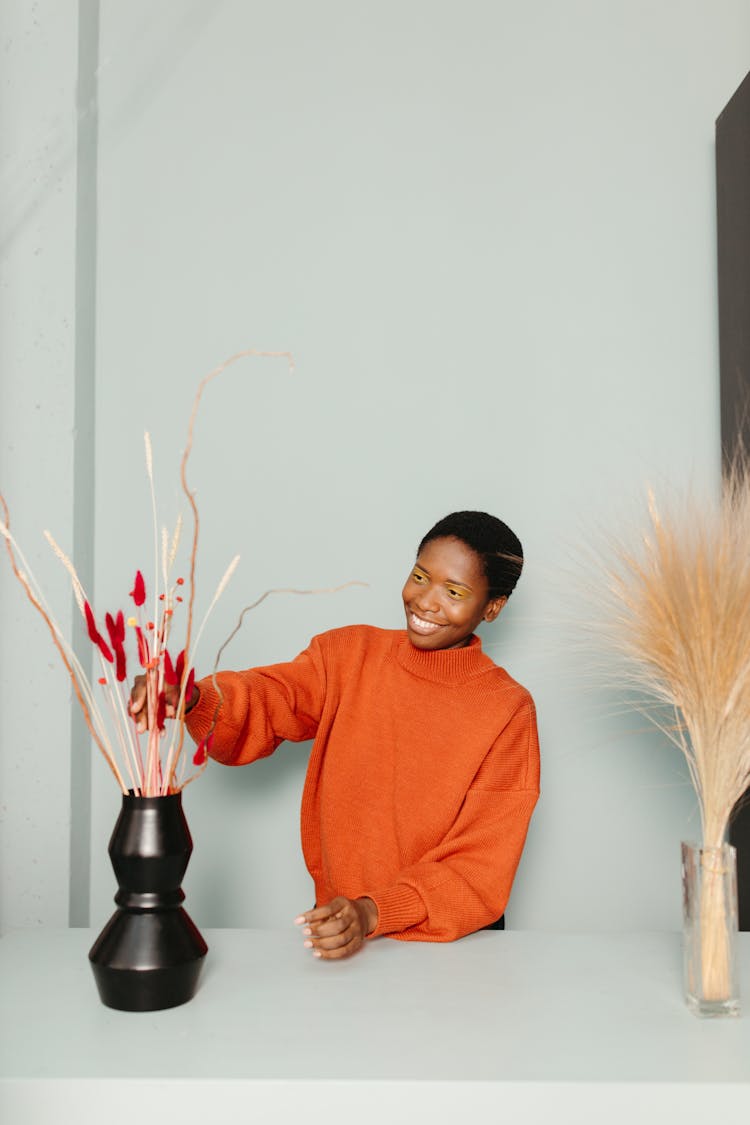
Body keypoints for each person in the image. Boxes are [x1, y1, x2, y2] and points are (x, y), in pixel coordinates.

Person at [131, 510, 540, 960]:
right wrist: (192, 699)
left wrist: (374, 911)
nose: (426, 601)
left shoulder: (506, 708)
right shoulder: (348, 655)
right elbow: (273, 697)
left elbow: (482, 864)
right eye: (420, 576)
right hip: (342, 927)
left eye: (454, 591)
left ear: (493, 607)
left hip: (453, 946)